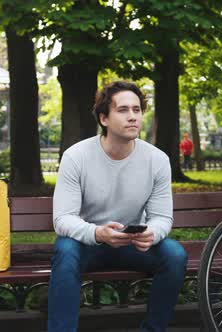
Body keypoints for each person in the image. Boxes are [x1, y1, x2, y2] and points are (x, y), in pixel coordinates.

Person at [48, 81, 187, 332]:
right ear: (104, 118)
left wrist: (151, 233)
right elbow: (63, 219)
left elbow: (162, 217)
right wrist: (97, 233)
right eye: (123, 110)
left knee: (175, 254)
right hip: (88, 244)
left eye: (137, 110)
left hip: (132, 245)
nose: (132, 116)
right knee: (66, 250)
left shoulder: (157, 160)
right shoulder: (76, 157)